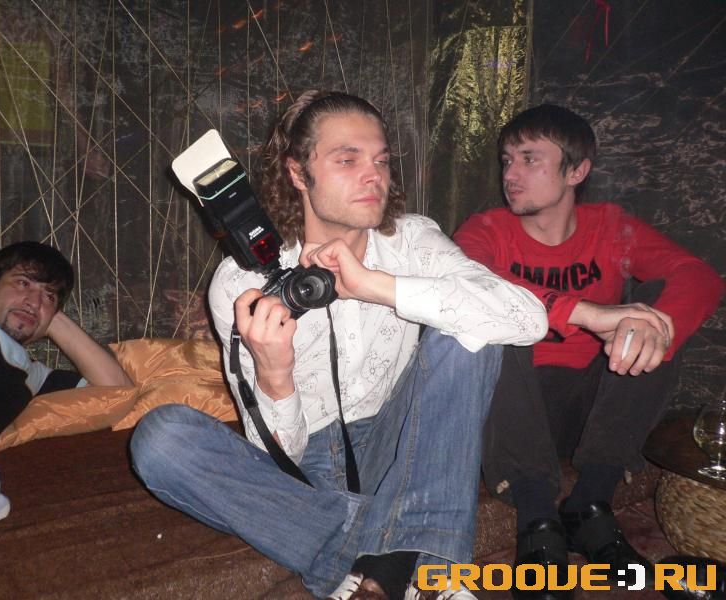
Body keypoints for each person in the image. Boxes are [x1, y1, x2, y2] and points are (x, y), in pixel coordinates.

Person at [130, 90, 548, 600]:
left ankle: (404, 572)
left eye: (381, 161)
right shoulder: (242, 282)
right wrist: (274, 376)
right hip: (307, 463)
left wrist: (375, 285)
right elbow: (278, 456)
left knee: (470, 333)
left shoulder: (412, 241)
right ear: (297, 172)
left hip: (401, 441)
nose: (373, 176)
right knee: (160, 440)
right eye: (348, 160)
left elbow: (527, 318)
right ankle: (394, 551)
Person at [453, 104, 724, 598]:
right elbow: (471, 282)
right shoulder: (485, 230)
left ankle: (590, 503)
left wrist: (654, 328)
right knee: (493, 318)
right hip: (512, 413)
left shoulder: (611, 227)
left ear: (576, 171)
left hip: (591, 411)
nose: (510, 174)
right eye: (507, 160)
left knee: (656, 315)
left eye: (529, 159)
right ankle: (538, 520)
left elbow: (699, 276)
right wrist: (585, 312)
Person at [0, 241, 132, 559]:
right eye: (23, 283)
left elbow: (117, 391)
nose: (34, 301)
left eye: (49, 296)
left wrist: (50, 318)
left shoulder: (31, 376)